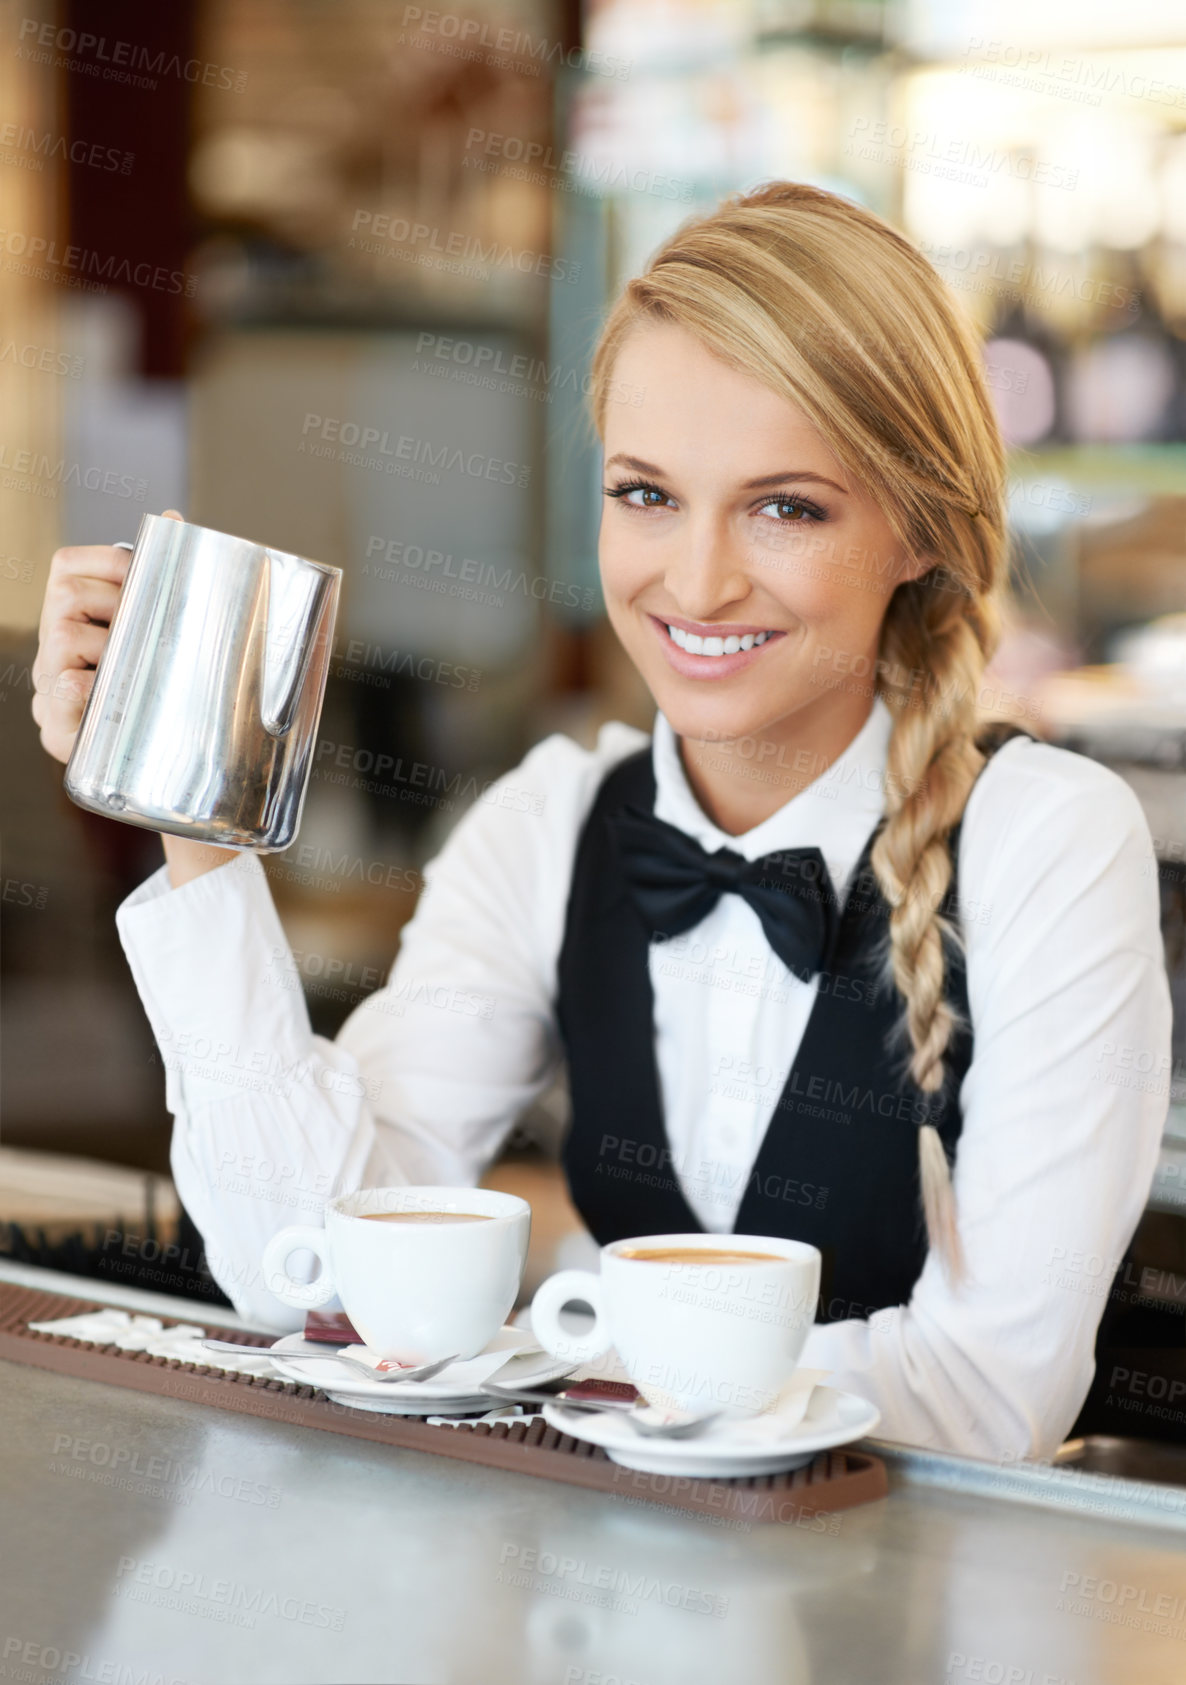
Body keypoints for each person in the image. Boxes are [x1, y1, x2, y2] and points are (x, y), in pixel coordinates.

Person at [33, 182, 1171, 1460]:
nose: (693, 580)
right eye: (645, 494)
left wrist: (550, 1343)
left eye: (785, 505)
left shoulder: (1048, 840)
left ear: (918, 526)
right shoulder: (548, 822)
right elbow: (304, 1277)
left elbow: (988, 1395)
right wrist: (196, 817)